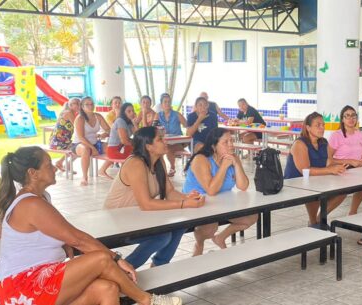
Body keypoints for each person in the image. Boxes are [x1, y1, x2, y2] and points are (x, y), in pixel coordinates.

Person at [0, 147, 181, 305]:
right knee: (101, 259)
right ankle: (148, 300)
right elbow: (78, 239)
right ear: (32, 174)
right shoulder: (30, 204)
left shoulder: (41, 198)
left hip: (40, 278)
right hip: (22, 287)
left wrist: (63, 243)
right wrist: (117, 259)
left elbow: (57, 234)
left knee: (108, 288)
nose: (55, 168)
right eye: (48, 165)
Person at [104, 126, 205, 268]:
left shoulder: (158, 161)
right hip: (117, 221)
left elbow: (169, 192)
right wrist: (184, 204)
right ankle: (122, 270)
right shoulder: (135, 163)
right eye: (160, 139)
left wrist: (187, 198)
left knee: (180, 225)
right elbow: (146, 204)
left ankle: (159, 265)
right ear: (148, 146)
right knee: (162, 237)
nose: (165, 141)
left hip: (138, 216)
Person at [182, 128, 257, 255]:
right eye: (225, 142)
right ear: (213, 146)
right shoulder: (201, 159)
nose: (231, 145)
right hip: (197, 203)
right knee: (210, 227)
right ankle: (199, 245)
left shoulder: (232, 157)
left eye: (232, 141)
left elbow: (243, 186)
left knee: (251, 217)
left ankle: (220, 238)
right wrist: (224, 166)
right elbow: (211, 190)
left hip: (221, 203)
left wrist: (237, 164)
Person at [284, 112, 347, 228]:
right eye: (318, 125)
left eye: (323, 125)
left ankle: (319, 219)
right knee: (315, 192)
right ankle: (313, 222)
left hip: (315, 180)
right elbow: (305, 170)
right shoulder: (299, 144)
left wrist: (351, 162)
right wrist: (330, 170)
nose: (322, 128)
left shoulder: (323, 142)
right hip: (293, 184)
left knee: (343, 191)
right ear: (308, 128)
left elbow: (329, 162)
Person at [328, 105, 362, 215]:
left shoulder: (359, 134)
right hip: (341, 170)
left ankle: (359, 211)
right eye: (347, 116)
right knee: (342, 193)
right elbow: (328, 160)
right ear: (342, 119)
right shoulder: (336, 135)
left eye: (353, 116)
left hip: (357, 170)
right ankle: (320, 218)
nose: (351, 119)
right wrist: (350, 161)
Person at [73, 97, 112, 186]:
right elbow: (81, 137)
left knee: (112, 148)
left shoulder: (98, 116)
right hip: (79, 144)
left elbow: (108, 130)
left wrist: (104, 134)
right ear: (82, 107)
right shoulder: (80, 119)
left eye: (92, 104)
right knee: (86, 149)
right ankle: (84, 177)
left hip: (95, 143)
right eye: (87, 104)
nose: (90, 106)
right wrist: (92, 148)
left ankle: (102, 170)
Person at [157, 93, 189, 177]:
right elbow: (154, 128)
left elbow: (187, 125)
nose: (167, 104)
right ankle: (159, 171)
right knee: (157, 150)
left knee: (168, 148)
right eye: (165, 102)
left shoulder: (177, 114)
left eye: (169, 102)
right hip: (165, 141)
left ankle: (172, 167)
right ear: (161, 104)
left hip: (179, 142)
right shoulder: (158, 115)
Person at [49, 97, 80, 172]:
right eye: (77, 104)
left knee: (78, 146)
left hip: (57, 141)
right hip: (59, 142)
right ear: (70, 105)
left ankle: (60, 162)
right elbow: (77, 126)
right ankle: (67, 166)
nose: (79, 106)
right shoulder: (69, 113)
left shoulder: (69, 112)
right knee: (79, 148)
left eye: (80, 104)